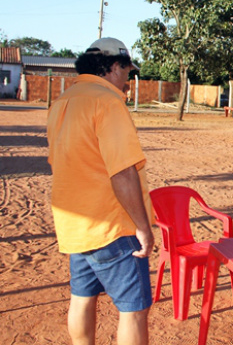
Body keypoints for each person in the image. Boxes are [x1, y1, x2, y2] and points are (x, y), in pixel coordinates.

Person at [46, 37, 154, 345]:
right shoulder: (107, 101)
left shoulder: (62, 102)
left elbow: (59, 162)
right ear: (113, 66)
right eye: (127, 71)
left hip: (76, 225)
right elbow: (122, 171)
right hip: (112, 226)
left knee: (82, 297)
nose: (128, 80)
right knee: (134, 310)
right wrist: (142, 227)